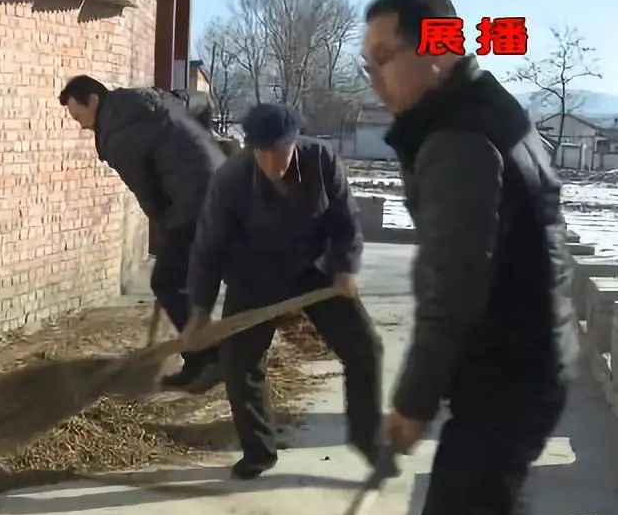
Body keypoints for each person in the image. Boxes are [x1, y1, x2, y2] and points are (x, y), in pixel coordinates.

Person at [362, 0, 579, 515]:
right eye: (368, 64)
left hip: (510, 372)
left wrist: (413, 402)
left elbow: (453, 285)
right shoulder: (485, 111)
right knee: (491, 513)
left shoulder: (459, 138)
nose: (375, 79)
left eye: (385, 58)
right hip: (523, 362)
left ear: (437, 49)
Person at [182, 102, 393, 480]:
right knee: (240, 364)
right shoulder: (231, 179)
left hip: (315, 268)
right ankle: (259, 452)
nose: (270, 161)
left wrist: (345, 268)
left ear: (295, 142)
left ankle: (369, 440)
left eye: (278, 150)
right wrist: (200, 311)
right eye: (260, 151)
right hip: (253, 275)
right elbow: (209, 248)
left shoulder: (321, 160)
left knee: (365, 348)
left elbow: (345, 221)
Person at [59, 75, 227, 392]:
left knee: (167, 281)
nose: (81, 126)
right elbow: (200, 101)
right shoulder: (150, 97)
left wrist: (165, 225)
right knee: (203, 275)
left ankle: (209, 356)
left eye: (79, 116)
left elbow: (147, 192)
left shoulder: (117, 135)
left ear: (93, 100)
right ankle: (205, 356)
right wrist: (201, 141)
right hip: (223, 181)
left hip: (195, 200)